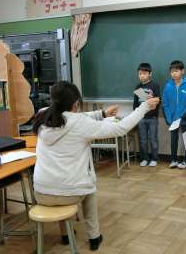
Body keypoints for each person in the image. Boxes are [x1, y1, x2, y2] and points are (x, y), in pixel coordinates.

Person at [33, 80, 160, 251]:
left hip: (41, 192)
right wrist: (144, 107)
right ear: (76, 103)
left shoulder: (43, 115)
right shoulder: (80, 123)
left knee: (62, 182)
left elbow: (75, 118)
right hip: (70, 194)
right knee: (89, 186)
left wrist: (102, 113)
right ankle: (94, 236)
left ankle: (65, 235)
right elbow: (120, 129)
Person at [162, 60, 186, 169]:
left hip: (185, 118)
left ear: (182, 71)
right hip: (173, 119)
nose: (174, 73)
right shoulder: (168, 86)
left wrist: (183, 115)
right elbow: (165, 104)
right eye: (172, 71)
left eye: (176, 71)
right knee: (173, 140)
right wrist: (168, 118)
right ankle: (173, 160)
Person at [133, 62, 160, 167]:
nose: (142, 76)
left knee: (153, 139)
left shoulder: (154, 85)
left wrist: (151, 100)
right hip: (141, 118)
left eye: (144, 73)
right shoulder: (138, 87)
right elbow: (135, 103)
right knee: (143, 140)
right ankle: (144, 158)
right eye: (140, 74)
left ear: (150, 74)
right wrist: (135, 117)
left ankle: (154, 158)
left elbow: (158, 100)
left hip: (152, 117)